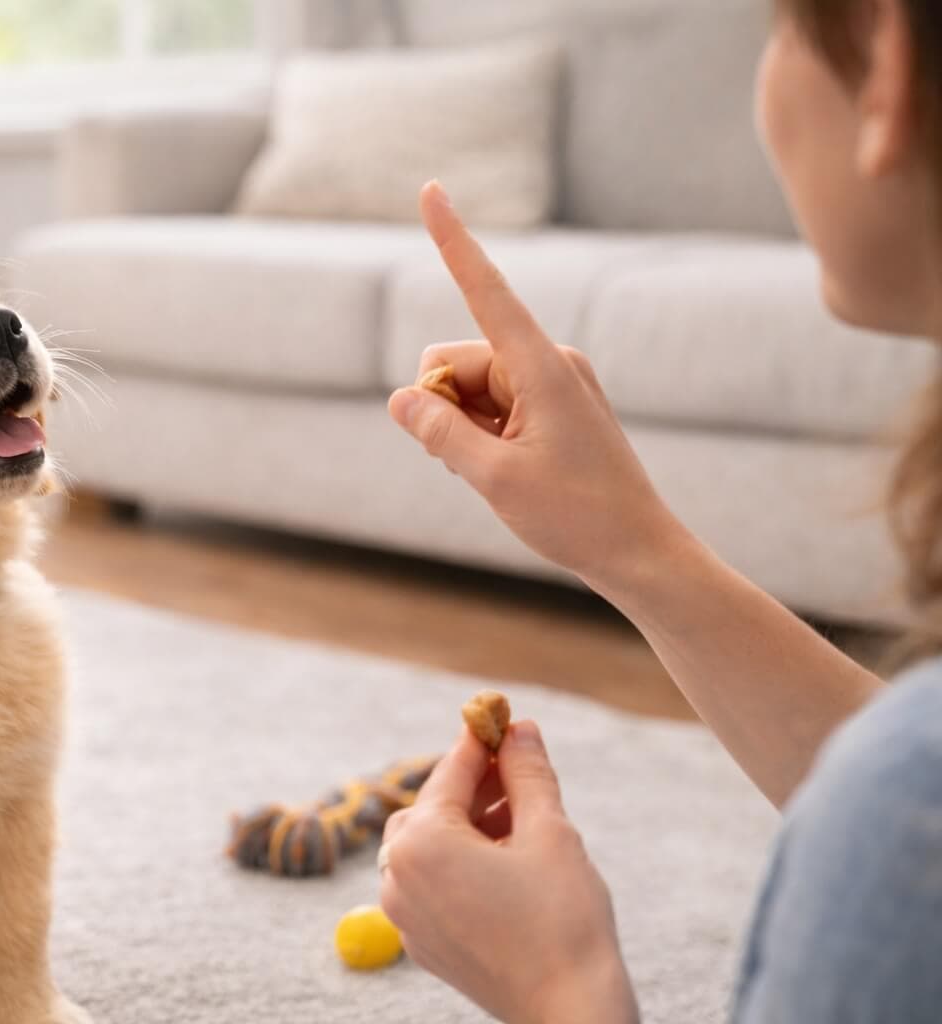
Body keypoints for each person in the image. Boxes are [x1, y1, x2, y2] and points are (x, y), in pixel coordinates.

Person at [376, 0, 942, 1019]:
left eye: (777, 30)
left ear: (887, 59)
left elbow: (912, 803)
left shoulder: (902, 826)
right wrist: (632, 545)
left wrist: (562, 986)